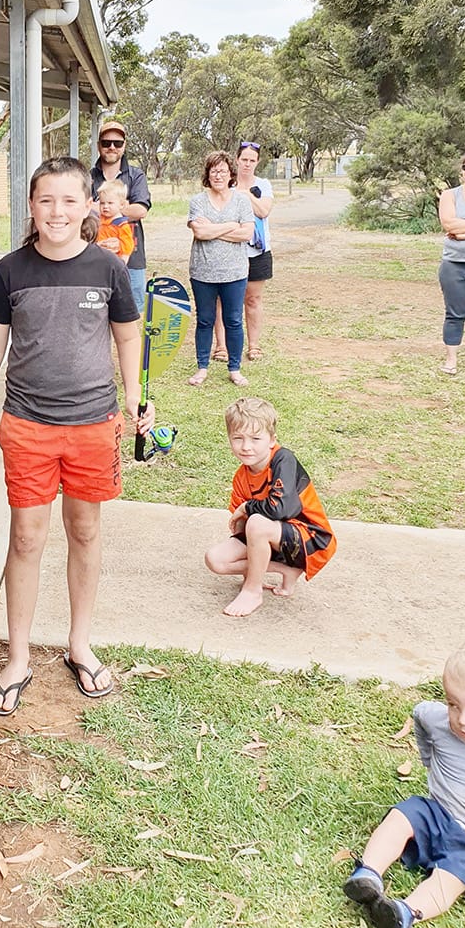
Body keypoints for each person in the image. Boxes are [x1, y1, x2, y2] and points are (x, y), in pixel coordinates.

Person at [0, 156, 154, 716]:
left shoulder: (109, 269)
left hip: (94, 423)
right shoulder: (9, 272)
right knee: (26, 538)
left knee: (86, 532)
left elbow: (127, 337)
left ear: (89, 206)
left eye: (70, 200)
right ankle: (18, 655)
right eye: (46, 200)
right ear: (31, 207)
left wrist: (136, 397)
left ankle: (79, 644)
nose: (58, 211)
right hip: (27, 425)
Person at [343, 644, 465, 928]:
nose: (463, 720)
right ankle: (368, 873)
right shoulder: (437, 719)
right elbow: (420, 717)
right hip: (436, 814)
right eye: (454, 704)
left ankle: (405, 913)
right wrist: (429, 760)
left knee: (454, 877)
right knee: (404, 814)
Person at [204, 396, 335, 617]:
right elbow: (241, 529)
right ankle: (285, 570)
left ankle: (253, 591)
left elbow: (283, 509)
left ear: (272, 439)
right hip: (276, 541)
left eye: (256, 438)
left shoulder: (283, 459)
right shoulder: (241, 477)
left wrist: (247, 507)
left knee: (256, 522)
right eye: (238, 438)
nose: (246, 447)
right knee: (215, 559)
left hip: (312, 539)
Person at [186, 150, 255, 387]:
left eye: (223, 171)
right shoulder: (198, 201)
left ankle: (234, 368)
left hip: (235, 273)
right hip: (203, 272)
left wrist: (214, 229)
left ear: (230, 174)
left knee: (234, 320)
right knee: (205, 319)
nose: (218, 175)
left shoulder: (242, 201)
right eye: (213, 171)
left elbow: (247, 233)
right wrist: (230, 225)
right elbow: (200, 232)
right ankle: (202, 367)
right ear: (207, 175)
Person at [211, 141, 274, 362]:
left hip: (257, 252)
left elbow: (264, 211)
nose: (247, 164)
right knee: (222, 299)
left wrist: (245, 194)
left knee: (253, 299)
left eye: (252, 160)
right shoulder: (225, 183)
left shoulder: (263, 185)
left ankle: (254, 345)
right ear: (237, 160)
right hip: (228, 249)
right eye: (244, 159)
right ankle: (221, 346)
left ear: (257, 163)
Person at [90, 121, 151, 312]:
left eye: (117, 143)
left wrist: (98, 208)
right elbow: (78, 212)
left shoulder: (136, 175)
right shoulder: (86, 177)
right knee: (95, 313)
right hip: (93, 258)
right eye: (106, 142)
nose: (112, 147)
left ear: (124, 146)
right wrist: (120, 208)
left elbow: (140, 210)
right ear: (99, 144)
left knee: (131, 314)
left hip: (131, 260)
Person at [436, 151, 465, 375]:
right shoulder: (450, 195)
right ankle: (451, 361)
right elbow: (449, 225)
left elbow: (457, 229)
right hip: (455, 264)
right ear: (462, 171)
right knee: (455, 313)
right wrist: (457, 230)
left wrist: (464, 232)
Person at [95, 181, 134, 263]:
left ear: (121, 205)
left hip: (114, 262)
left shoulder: (121, 225)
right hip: (98, 260)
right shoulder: (98, 220)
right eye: (102, 203)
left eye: (110, 203)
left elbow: (127, 246)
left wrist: (123, 262)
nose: (105, 206)